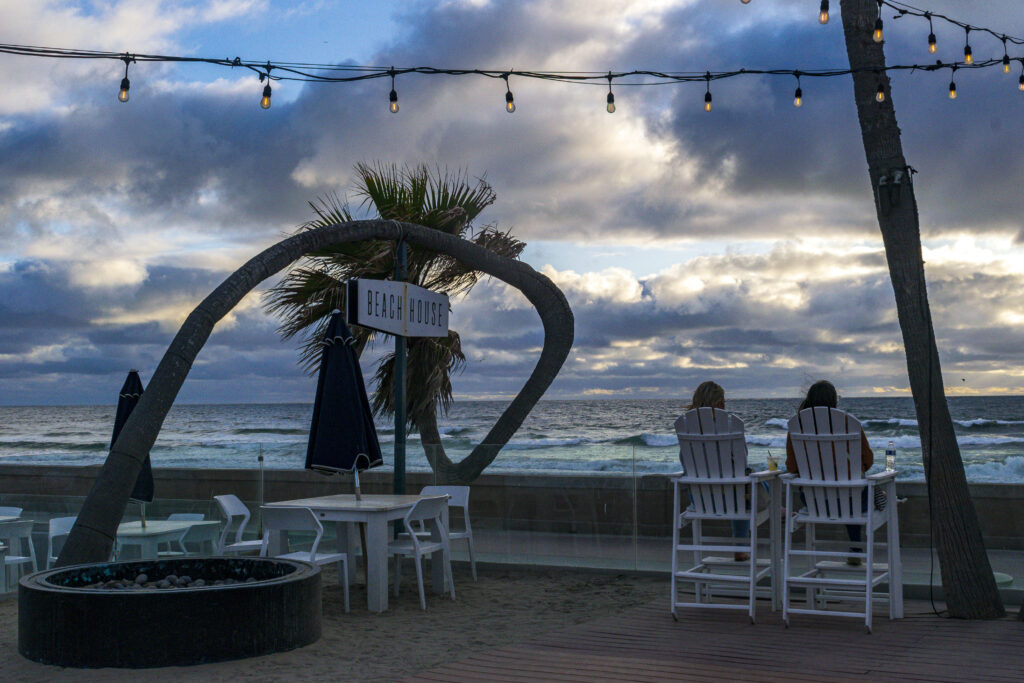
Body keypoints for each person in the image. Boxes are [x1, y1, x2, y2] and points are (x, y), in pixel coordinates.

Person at [784, 380, 873, 566]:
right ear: (835, 402)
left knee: (847, 492)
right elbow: (868, 461)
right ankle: (856, 548)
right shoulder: (850, 423)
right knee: (851, 491)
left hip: (814, 501)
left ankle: (855, 549)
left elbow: (792, 467)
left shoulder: (796, 426)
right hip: (852, 501)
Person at [683, 380, 755, 562]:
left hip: (700, 499)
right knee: (746, 489)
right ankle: (740, 548)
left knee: (737, 490)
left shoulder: (686, 427)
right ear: (720, 403)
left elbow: (685, 463)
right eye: (723, 400)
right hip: (732, 498)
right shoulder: (731, 426)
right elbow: (742, 462)